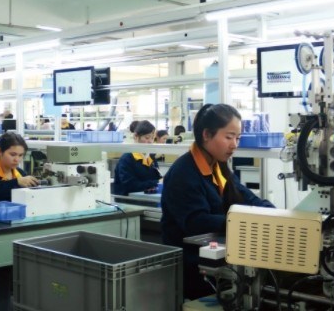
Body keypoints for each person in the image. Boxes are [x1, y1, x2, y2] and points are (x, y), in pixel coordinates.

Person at [161, 104, 274, 300]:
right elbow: (196, 221)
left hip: (219, 260)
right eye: (229, 137)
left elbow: (244, 195)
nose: (234, 145)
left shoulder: (218, 166)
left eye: (238, 138)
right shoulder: (183, 173)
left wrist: (272, 213)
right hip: (193, 269)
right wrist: (242, 221)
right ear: (207, 134)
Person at [0, 133, 39, 202]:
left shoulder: (21, 173)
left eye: (20, 155)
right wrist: (16, 182)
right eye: (12, 154)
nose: (17, 159)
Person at [113, 120, 161, 196]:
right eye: (147, 138)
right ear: (136, 136)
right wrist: (156, 182)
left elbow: (157, 177)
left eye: (152, 138)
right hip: (128, 200)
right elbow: (130, 186)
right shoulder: (127, 159)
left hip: (146, 197)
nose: (150, 141)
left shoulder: (150, 157)